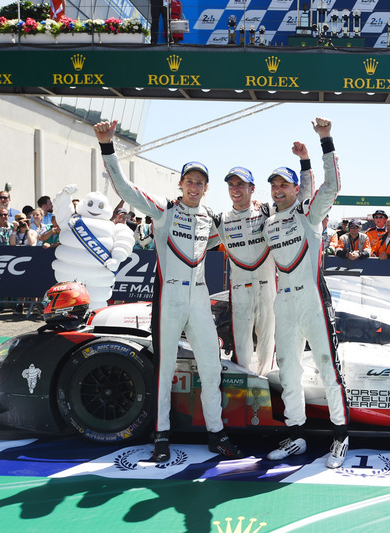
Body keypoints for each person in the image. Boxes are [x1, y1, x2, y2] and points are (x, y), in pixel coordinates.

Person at [93, 119, 243, 462]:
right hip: (169, 297)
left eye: (200, 183)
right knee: (165, 369)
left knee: (211, 367)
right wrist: (107, 147)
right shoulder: (164, 209)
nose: (194, 186)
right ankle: (161, 437)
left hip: (200, 298)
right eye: (190, 181)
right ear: (181, 184)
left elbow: (231, 237)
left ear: (206, 188)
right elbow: (125, 189)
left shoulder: (210, 216)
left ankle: (217, 434)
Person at [261, 117, 350, 469]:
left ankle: (340, 437)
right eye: (275, 186)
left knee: (329, 368)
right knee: (289, 370)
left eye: (285, 185)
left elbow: (331, 186)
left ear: (297, 189)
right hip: (284, 300)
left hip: (314, 297)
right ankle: (295, 434)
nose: (279, 189)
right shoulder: (268, 222)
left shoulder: (310, 216)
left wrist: (324, 142)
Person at [213, 154, 313, 378]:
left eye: (241, 184)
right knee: (242, 345)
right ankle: (241, 385)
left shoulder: (267, 210)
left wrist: (305, 162)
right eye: (231, 185)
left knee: (268, 342)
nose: (236, 189)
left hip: (268, 287)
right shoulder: (221, 219)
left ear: (252, 188)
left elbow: (300, 201)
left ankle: (265, 385)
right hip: (240, 290)